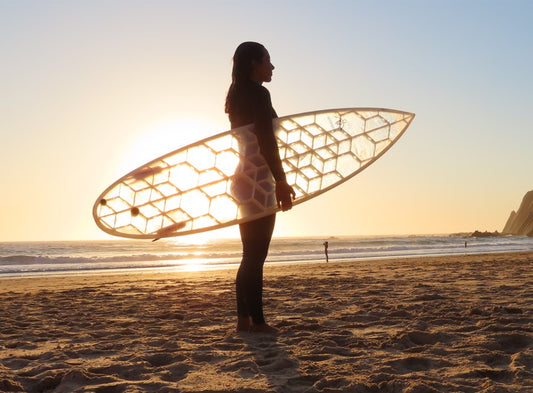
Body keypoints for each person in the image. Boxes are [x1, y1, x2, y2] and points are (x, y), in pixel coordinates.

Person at [225, 42, 295, 334]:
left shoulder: (235, 95)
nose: (273, 66)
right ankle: (258, 321)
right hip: (260, 181)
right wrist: (280, 180)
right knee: (256, 255)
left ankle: (244, 320)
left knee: (248, 254)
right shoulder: (259, 93)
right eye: (268, 60)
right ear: (254, 62)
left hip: (242, 179)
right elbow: (267, 140)